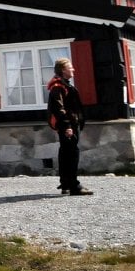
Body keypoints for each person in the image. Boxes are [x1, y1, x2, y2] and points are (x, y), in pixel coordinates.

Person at [48, 58, 92, 196]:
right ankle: (74, 186)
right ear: (63, 70)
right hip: (68, 125)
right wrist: (67, 126)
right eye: (70, 67)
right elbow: (58, 108)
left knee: (66, 153)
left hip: (72, 123)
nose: (73, 70)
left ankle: (65, 183)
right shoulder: (58, 87)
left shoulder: (65, 85)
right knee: (72, 154)